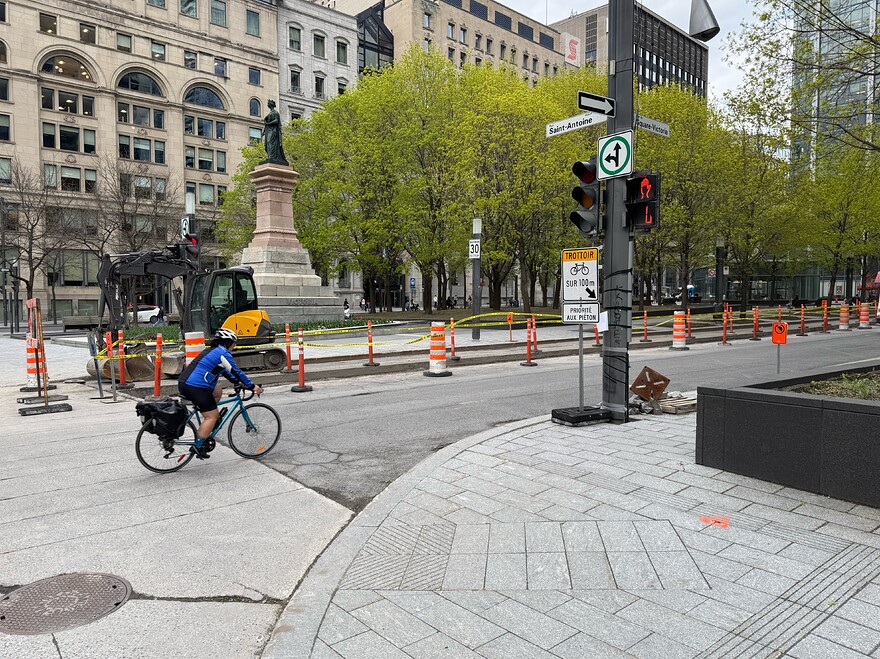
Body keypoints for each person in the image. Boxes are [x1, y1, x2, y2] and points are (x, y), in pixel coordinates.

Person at [178, 328, 263, 459]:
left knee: (217, 392)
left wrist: (237, 382)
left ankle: (209, 416)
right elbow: (236, 371)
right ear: (228, 343)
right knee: (211, 416)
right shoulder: (223, 353)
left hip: (185, 382)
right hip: (196, 386)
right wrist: (252, 386)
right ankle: (199, 444)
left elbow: (225, 371)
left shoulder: (212, 351)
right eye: (234, 343)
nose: (235, 346)